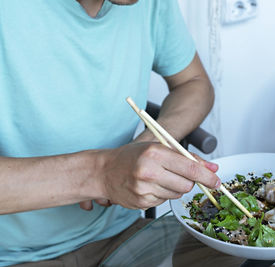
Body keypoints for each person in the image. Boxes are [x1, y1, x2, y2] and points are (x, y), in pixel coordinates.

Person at [0, 0, 221, 266]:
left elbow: (194, 83)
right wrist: (100, 173)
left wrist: (150, 144)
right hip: (14, 256)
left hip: (123, 234)